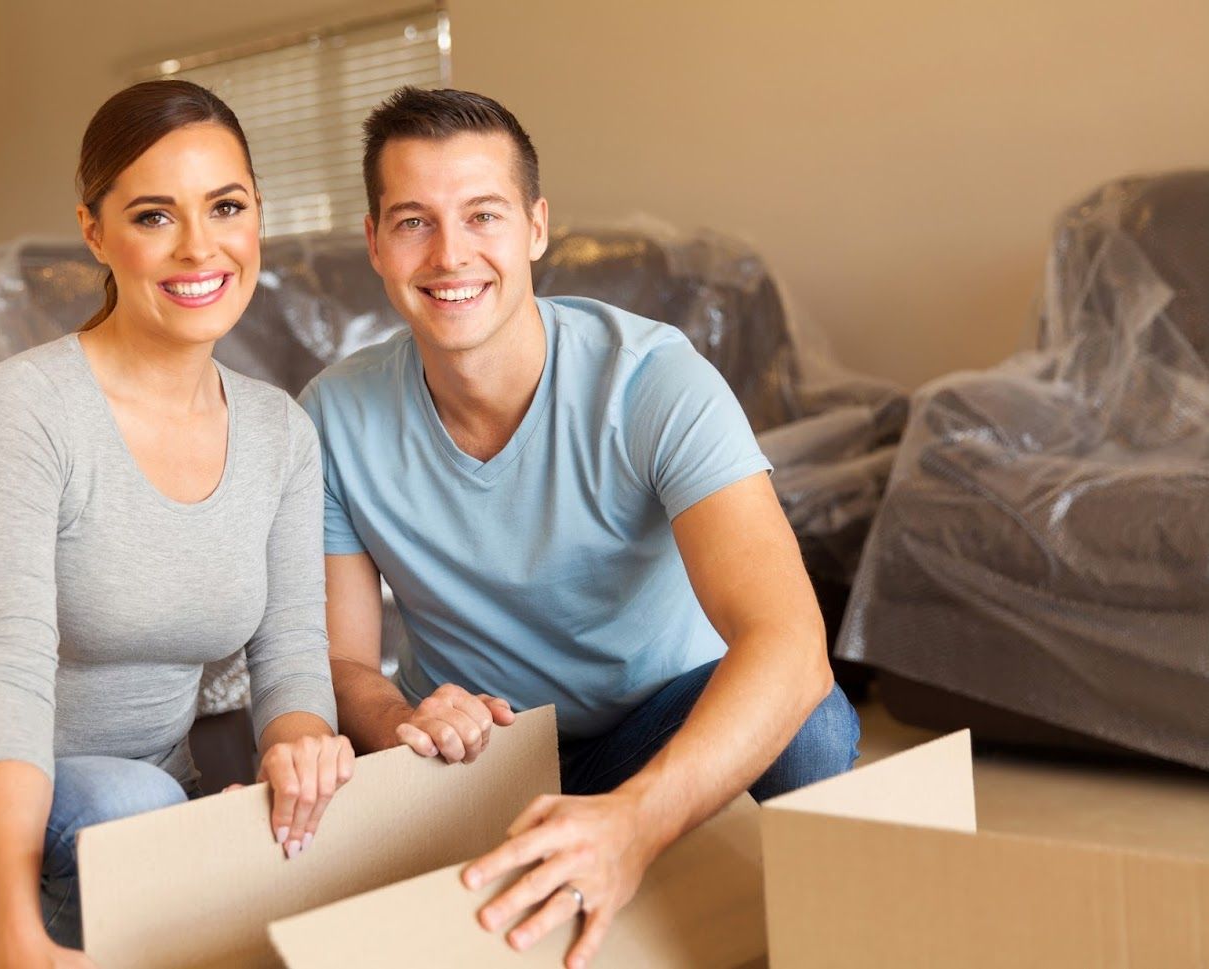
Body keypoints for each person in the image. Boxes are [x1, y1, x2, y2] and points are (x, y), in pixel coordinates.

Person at [298, 86, 859, 968]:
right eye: (413, 222)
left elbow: (791, 643)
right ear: (374, 242)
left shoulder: (653, 383)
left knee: (812, 722)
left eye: (483, 215)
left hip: (660, 735)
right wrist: (408, 716)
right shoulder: (334, 415)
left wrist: (634, 823)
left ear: (535, 227)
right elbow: (341, 664)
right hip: (482, 763)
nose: (451, 255)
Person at [0, 80, 352, 969]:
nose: (201, 247)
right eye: (155, 216)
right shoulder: (27, 409)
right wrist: (15, 930)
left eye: (225, 206)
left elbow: (293, 657)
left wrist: (304, 752)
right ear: (95, 232)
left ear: (257, 214)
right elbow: (5, 668)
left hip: (148, 829)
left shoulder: (280, 430)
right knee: (122, 801)